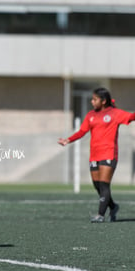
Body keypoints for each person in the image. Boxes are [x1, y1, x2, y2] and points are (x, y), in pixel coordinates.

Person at [58, 87, 135, 223]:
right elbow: (82, 131)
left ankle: (100, 215)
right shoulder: (90, 115)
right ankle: (113, 206)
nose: (92, 101)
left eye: (95, 99)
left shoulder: (115, 113)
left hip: (109, 153)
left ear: (103, 101)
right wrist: (67, 140)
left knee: (104, 185)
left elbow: (131, 117)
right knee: (97, 185)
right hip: (94, 155)